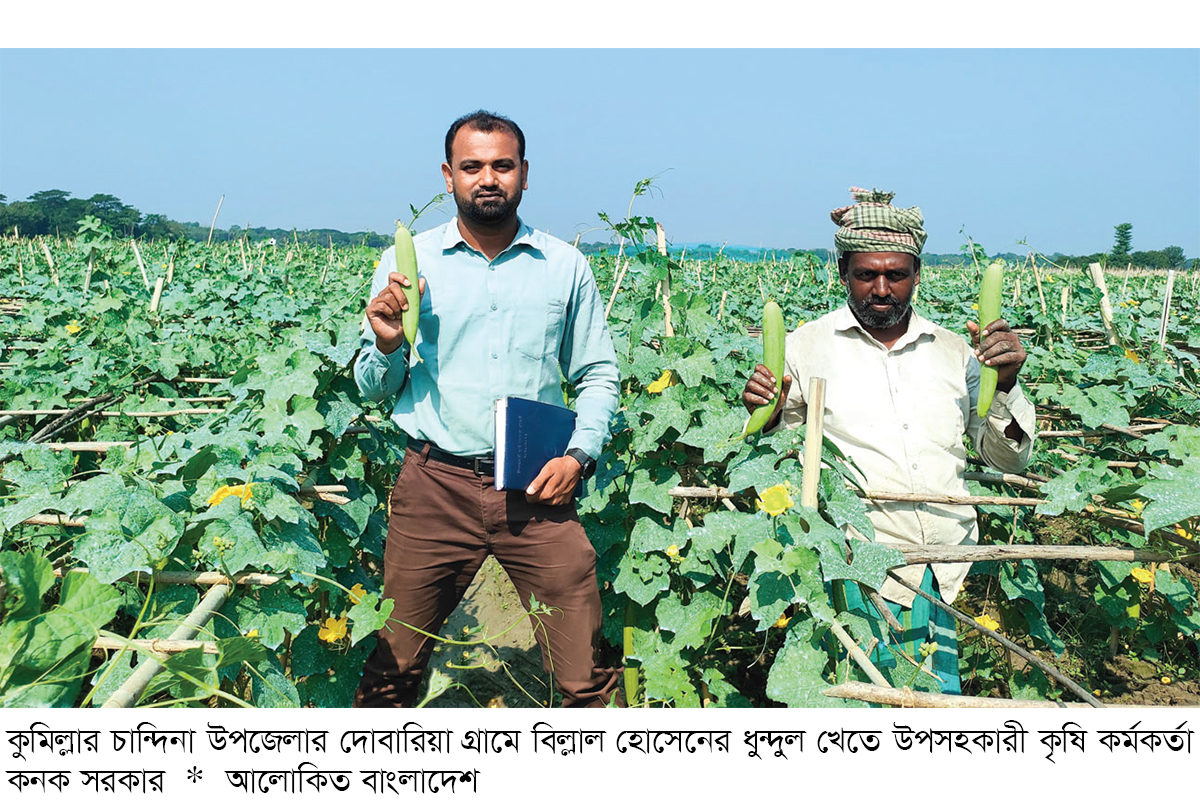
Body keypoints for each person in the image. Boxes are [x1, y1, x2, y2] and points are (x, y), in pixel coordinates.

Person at [352, 110, 621, 708]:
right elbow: (372, 386)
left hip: (537, 485)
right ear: (448, 176)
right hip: (434, 486)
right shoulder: (409, 263)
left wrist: (580, 454)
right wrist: (389, 343)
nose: (488, 178)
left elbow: (598, 374)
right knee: (393, 666)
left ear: (525, 175)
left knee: (585, 674)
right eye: (472, 166)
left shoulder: (564, 266)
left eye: (503, 165)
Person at [741, 187, 1036, 693]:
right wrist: (763, 415)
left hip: (941, 559)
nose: (881, 288)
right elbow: (779, 457)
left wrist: (1005, 384)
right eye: (866, 274)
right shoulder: (803, 347)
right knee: (858, 700)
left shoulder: (958, 353)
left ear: (917, 275)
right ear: (843, 274)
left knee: (933, 700)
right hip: (853, 561)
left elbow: (1007, 455)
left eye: (896, 275)